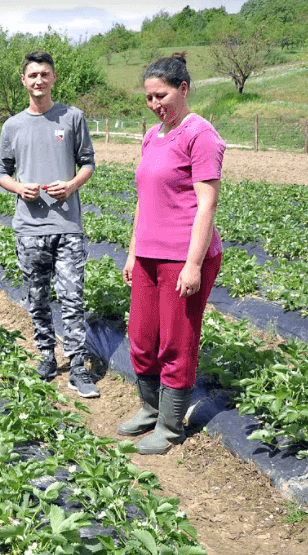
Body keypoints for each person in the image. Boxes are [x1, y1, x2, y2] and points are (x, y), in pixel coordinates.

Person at [118, 53, 224, 455]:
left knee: (177, 342)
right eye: (148, 98)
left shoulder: (201, 135)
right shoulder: (152, 136)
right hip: (147, 254)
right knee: (142, 338)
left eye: (161, 95)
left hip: (184, 255)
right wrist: (133, 253)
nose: (154, 104)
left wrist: (194, 264)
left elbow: (207, 204)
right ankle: (149, 408)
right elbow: (144, 201)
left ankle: (170, 425)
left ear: (183, 88)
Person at [0, 50, 99, 398]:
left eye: (44, 74)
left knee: (72, 298)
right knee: (36, 297)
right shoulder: (12, 126)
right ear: (23, 80)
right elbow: (1, 173)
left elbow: (87, 162)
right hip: (29, 228)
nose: (38, 80)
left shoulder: (72, 117)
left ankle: (78, 364)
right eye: (32, 75)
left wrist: (71, 185)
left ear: (54, 77)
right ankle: (45, 354)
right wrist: (18, 187)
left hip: (67, 225)